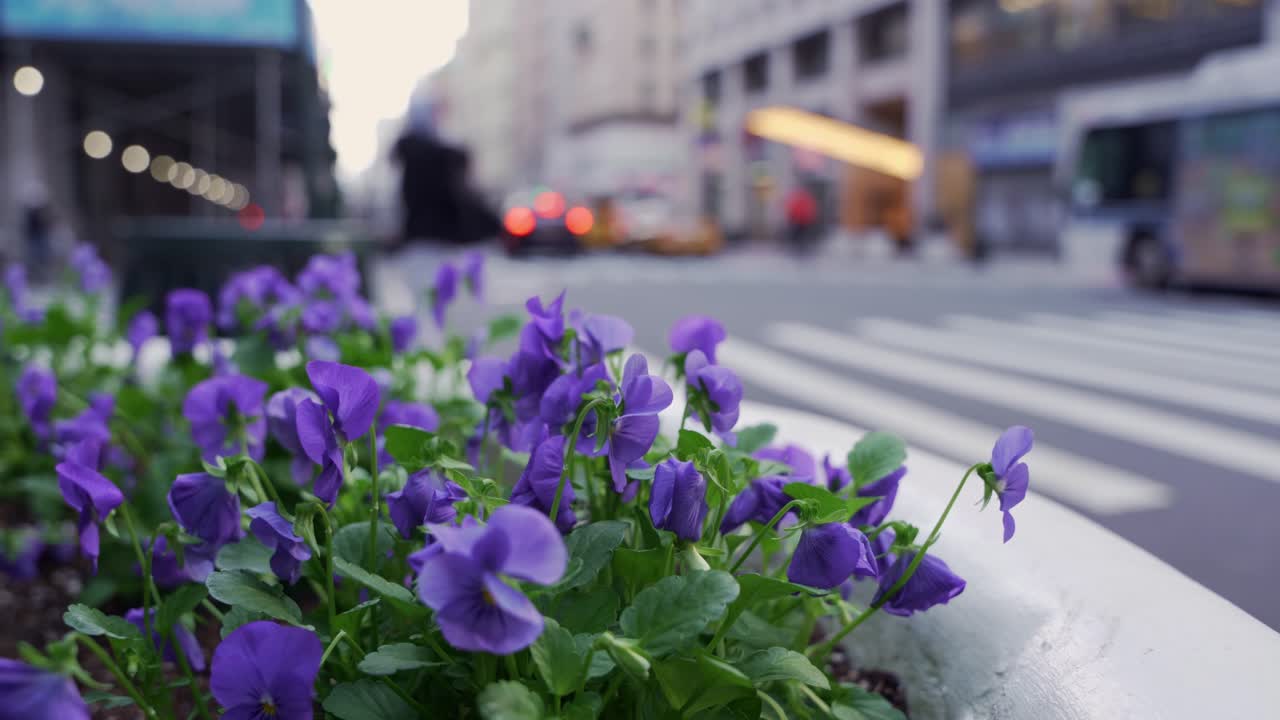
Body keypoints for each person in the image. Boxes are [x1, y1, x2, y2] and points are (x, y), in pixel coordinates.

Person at [784, 184, 818, 255]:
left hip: (801, 220)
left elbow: (809, 209)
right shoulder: (803, 199)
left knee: (800, 234)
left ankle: (800, 246)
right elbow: (810, 209)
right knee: (799, 234)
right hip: (800, 220)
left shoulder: (802, 199)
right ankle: (799, 246)